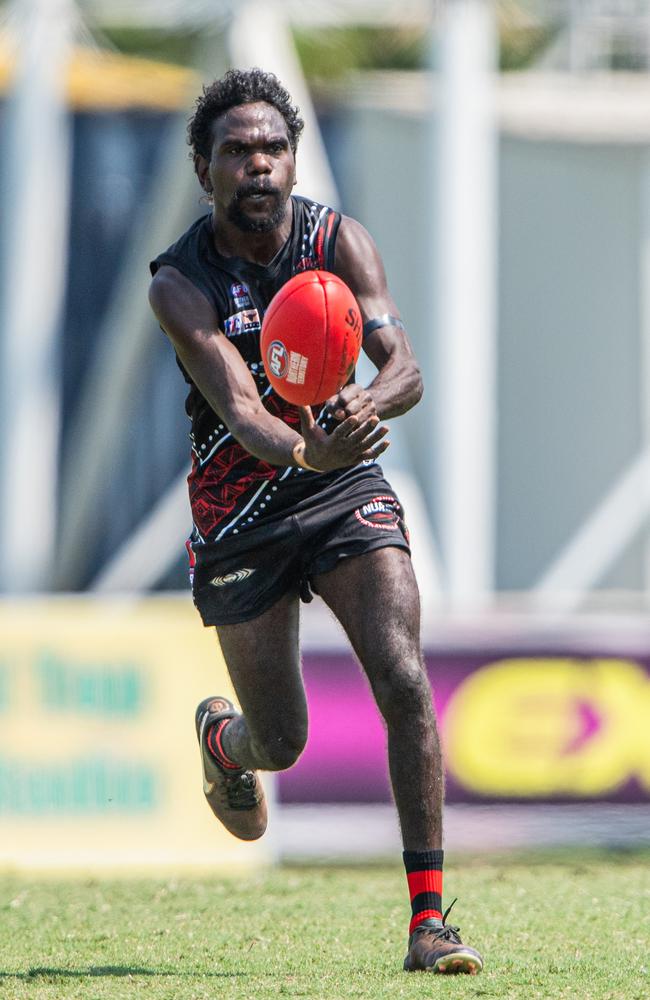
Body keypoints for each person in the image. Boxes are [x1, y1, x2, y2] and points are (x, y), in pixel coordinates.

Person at [148, 67, 483, 976]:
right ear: (205, 169)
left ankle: (429, 923)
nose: (258, 165)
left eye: (273, 148)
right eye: (236, 152)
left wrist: (369, 407)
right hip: (242, 507)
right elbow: (247, 415)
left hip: (342, 488)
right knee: (282, 743)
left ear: (292, 158)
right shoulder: (179, 283)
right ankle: (227, 741)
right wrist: (306, 450)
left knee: (405, 677)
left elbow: (402, 363)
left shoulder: (337, 241)